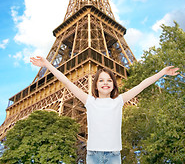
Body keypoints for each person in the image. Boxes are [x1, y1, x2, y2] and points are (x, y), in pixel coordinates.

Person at [30, 56, 179, 164]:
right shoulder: (89, 101)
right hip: (93, 155)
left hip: (114, 156)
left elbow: (142, 85)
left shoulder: (119, 101)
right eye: (101, 80)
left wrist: (162, 73)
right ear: (95, 85)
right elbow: (66, 81)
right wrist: (47, 64)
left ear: (114, 85)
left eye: (109, 80)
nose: (105, 83)